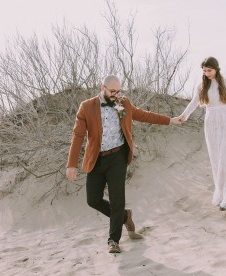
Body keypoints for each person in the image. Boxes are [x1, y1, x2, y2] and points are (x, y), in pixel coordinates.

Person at [66, 75, 183, 253]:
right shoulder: (87, 107)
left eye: (118, 91)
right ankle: (124, 216)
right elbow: (78, 136)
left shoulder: (123, 104)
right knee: (93, 199)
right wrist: (71, 164)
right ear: (102, 88)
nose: (115, 95)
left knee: (117, 200)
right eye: (112, 91)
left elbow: (143, 115)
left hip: (118, 157)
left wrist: (170, 120)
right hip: (96, 159)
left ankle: (114, 240)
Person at [179, 57, 226, 211]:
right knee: (216, 159)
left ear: (216, 68)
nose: (207, 73)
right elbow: (194, 103)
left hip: (225, 121)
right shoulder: (201, 86)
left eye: (209, 70)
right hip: (210, 123)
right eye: (204, 71)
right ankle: (221, 195)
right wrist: (183, 116)